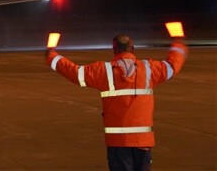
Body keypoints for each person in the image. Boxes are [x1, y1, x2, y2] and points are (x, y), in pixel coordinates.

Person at [45, 34, 188, 171]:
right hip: (143, 141)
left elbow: (75, 73)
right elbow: (172, 66)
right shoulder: (149, 70)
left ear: (114, 50)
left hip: (118, 142)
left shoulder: (104, 71)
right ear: (133, 49)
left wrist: (52, 55)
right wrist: (178, 42)